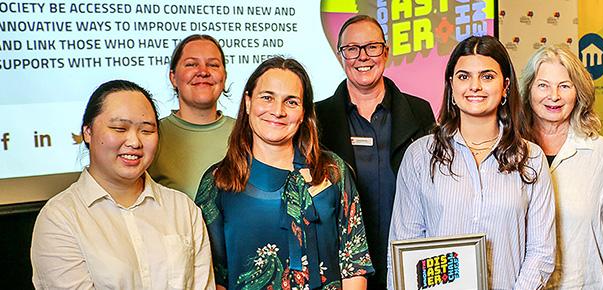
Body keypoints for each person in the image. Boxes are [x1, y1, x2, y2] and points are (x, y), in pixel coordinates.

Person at [388, 36, 555, 290]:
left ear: (505, 85)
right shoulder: (420, 156)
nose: (474, 86)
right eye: (464, 76)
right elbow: (403, 247)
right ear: (451, 85)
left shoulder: (531, 158)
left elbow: (541, 252)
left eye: (487, 77)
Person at [195, 57, 374, 289]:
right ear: (248, 102)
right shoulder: (218, 181)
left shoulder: (332, 172)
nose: (277, 111)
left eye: (291, 102)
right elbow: (213, 277)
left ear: (303, 113)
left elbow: (353, 266)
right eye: (267, 98)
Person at [30, 80, 214, 289]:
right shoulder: (60, 219)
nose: (134, 142)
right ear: (87, 132)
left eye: (146, 130)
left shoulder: (183, 209)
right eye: (119, 128)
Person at [315, 15, 435, 290]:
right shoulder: (317, 117)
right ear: (340, 55)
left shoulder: (420, 111)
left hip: (407, 257)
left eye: (372, 47)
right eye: (352, 49)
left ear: (386, 51)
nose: (362, 57)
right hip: (341, 265)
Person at [519, 44, 603, 289]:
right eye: (543, 85)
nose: (553, 95)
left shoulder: (602, 154)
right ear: (528, 90)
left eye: (564, 86)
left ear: (578, 93)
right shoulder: (508, 152)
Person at [148, 34, 236, 199]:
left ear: (224, 78)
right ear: (173, 77)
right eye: (191, 64)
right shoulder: (152, 135)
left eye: (213, 65)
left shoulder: (246, 132)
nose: (203, 72)